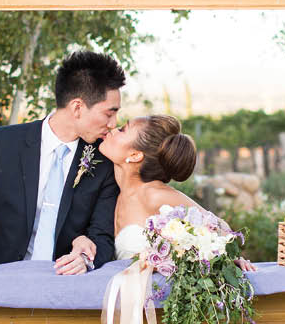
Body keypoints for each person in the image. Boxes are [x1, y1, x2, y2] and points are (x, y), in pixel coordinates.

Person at [0, 50, 125, 276]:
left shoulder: (104, 162)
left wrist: (84, 259)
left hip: (66, 289)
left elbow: (102, 235)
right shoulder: (1, 143)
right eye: (109, 113)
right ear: (77, 107)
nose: (113, 123)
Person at [99, 115, 256, 271]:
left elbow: (221, 228)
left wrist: (227, 258)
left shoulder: (153, 195)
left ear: (135, 155)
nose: (113, 129)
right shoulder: (113, 192)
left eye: (122, 129)